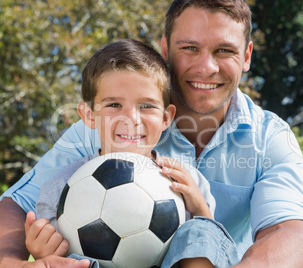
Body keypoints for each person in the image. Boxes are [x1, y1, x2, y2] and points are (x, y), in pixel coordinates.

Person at [0, 0, 303, 267]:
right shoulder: (103, 129)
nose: (206, 67)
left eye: (224, 51)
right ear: (165, 49)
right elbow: (18, 206)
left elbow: (289, 232)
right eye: (189, 48)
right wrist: (10, 263)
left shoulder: (271, 137)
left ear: (246, 56)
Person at [24, 38, 219, 267]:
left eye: (146, 106)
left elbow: (207, 246)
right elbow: (54, 257)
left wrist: (201, 211)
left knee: (201, 231)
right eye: (114, 105)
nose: (131, 119)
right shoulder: (60, 188)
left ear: (166, 117)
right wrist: (43, 254)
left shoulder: (187, 182)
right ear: (88, 115)